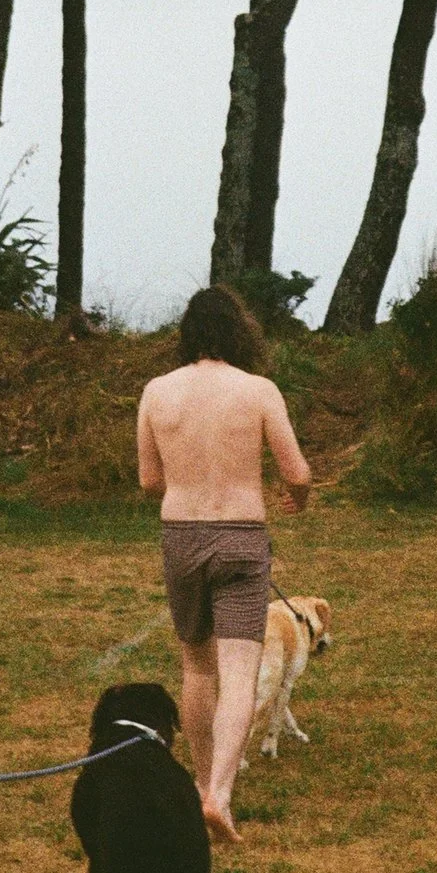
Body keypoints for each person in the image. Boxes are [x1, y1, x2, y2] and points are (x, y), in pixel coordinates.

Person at [136, 285, 313, 844]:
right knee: (239, 674)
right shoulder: (258, 390)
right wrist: (297, 500)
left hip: (181, 537)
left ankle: (198, 784)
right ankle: (220, 793)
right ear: (241, 333)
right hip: (241, 537)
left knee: (197, 668)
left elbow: (148, 480)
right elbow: (298, 473)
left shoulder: (156, 392)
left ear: (186, 334)